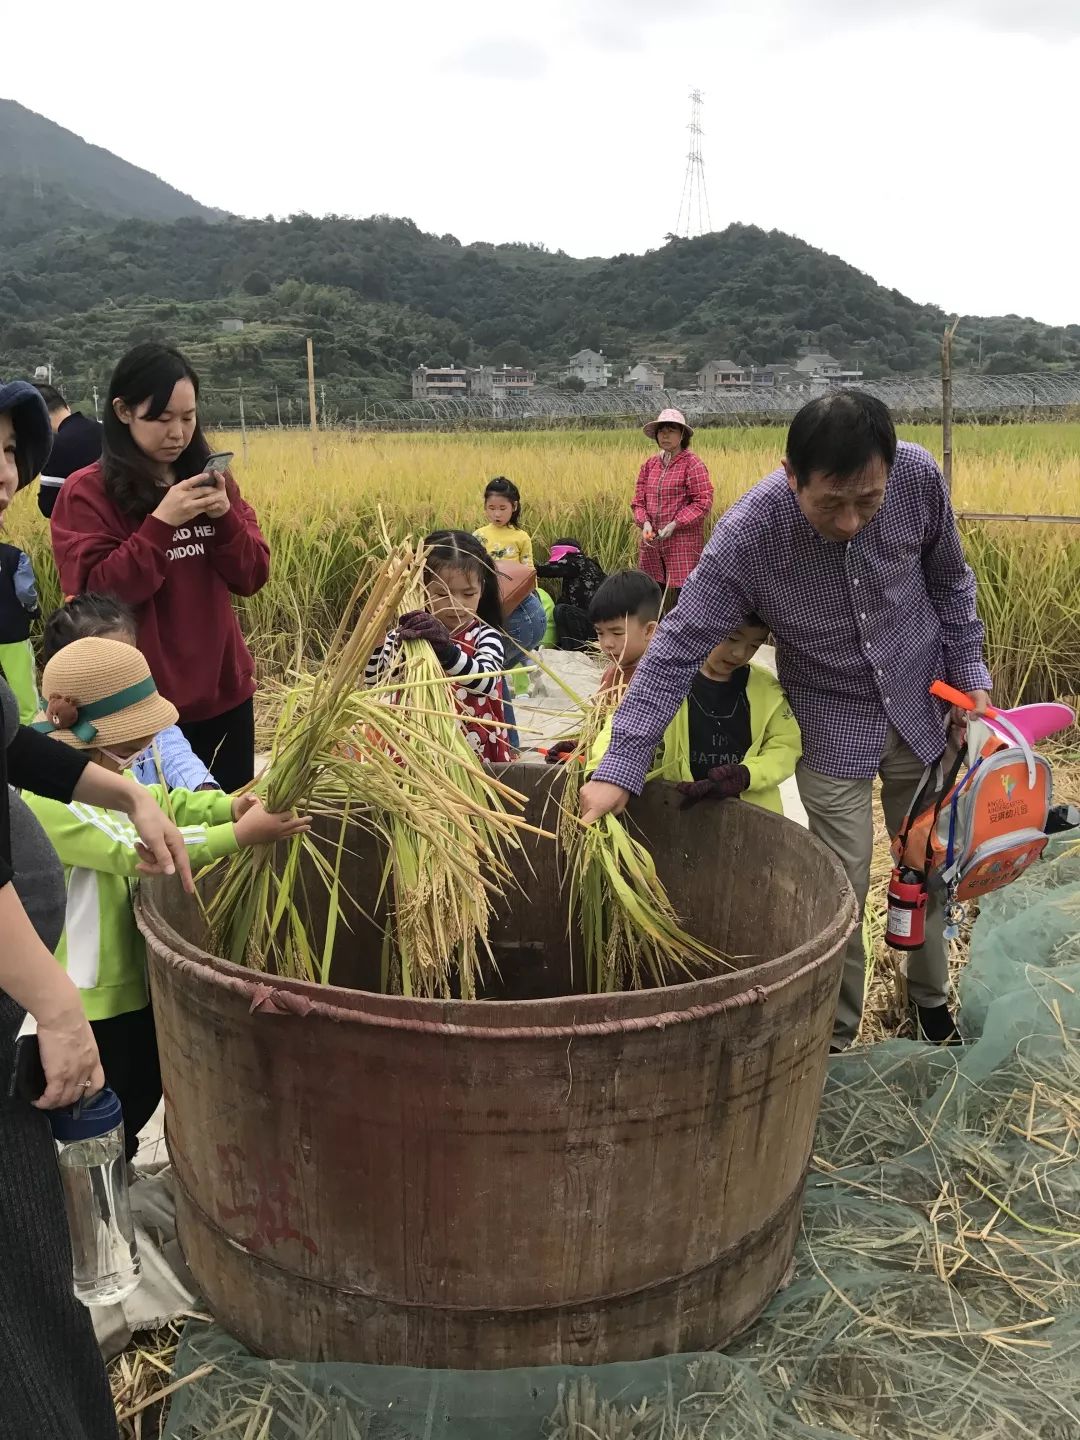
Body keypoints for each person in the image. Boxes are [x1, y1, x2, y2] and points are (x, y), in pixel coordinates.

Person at [582, 391, 992, 1049]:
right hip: (831, 720)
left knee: (929, 864)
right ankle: (835, 1025)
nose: (853, 520)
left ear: (890, 472)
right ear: (790, 473)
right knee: (839, 887)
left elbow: (951, 584)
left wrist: (971, 684)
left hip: (927, 701)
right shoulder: (750, 533)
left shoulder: (918, 478)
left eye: (869, 501)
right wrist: (620, 765)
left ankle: (929, 999)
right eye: (831, 503)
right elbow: (679, 644)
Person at [0, 378, 197, 1440]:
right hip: (29, 990)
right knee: (38, 1244)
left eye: (5, 447)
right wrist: (54, 1004)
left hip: (35, 989)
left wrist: (118, 784)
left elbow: (12, 743)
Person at [25, 637, 308, 1160]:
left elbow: (162, 803)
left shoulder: (110, 774)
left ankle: (121, 1168)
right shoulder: (49, 800)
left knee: (143, 1085)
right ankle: (92, 1196)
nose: (137, 758)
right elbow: (137, 847)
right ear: (97, 740)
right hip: (90, 996)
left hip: (132, 976)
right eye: (132, 746)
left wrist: (226, 807)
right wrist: (240, 837)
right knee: (107, 1102)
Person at [50, 344, 270, 792]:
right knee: (156, 843)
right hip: (133, 708)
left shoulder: (213, 483)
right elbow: (98, 600)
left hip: (222, 691)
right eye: (162, 418)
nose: (178, 432)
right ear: (123, 411)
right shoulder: (86, 493)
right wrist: (161, 524)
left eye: (188, 417)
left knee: (228, 832)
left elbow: (252, 576)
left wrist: (224, 515)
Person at [588, 616, 801, 816]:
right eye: (732, 638)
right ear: (704, 628)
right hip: (679, 810)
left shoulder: (767, 689)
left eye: (754, 645)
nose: (739, 653)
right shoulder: (668, 680)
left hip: (750, 816)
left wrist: (746, 774)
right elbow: (624, 726)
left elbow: (785, 744)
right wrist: (599, 770)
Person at [43, 592, 219, 790]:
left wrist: (202, 787)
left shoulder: (143, 713)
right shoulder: (54, 760)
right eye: (112, 669)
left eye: (130, 662)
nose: (126, 676)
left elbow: (173, 751)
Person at [366, 530, 511, 764]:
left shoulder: (485, 635)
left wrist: (447, 651)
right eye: (442, 593)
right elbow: (377, 681)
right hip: (418, 747)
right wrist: (377, 643)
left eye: (468, 593)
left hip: (474, 752)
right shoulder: (407, 635)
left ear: (482, 589)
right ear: (421, 589)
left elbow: (485, 682)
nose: (456, 604)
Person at [545, 570, 660, 763]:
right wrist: (577, 747)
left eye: (616, 633)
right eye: (600, 633)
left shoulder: (658, 681)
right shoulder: (609, 676)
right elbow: (600, 732)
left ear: (649, 630)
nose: (607, 643)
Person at [631, 408, 713, 609]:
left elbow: (702, 502)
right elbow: (638, 501)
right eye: (661, 431)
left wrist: (676, 523)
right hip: (652, 542)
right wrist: (645, 523)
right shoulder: (650, 465)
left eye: (671, 430)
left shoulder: (692, 464)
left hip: (682, 543)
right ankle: (651, 635)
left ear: (682, 435)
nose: (665, 435)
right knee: (650, 591)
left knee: (684, 596)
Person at [473, 476, 546, 688]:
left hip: (516, 597)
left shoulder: (521, 536)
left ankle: (525, 672)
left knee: (517, 638)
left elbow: (528, 569)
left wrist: (533, 596)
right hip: (490, 597)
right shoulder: (479, 535)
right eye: (491, 508)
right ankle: (520, 671)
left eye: (502, 508)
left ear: (514, 507)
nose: (497, 513)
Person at [33, 383, 103, 520]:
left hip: (86, 531)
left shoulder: (55, 446)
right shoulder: (104, 431)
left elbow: (48, 506)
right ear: (67, 407)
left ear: (39, 419)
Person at [535, 537, 606, 651]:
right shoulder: (587, 566)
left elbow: (549, 569)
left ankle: (575, 649)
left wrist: (530, 569)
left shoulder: (576, 562)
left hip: (591, 624)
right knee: (561, 605)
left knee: (562, 610)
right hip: (598, 624)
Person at [0, 534, 41, 722]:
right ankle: (29, 728)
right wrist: (32, 608)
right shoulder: (14, 556)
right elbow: (25, 592)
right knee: (23, 687)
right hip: (12, 630)